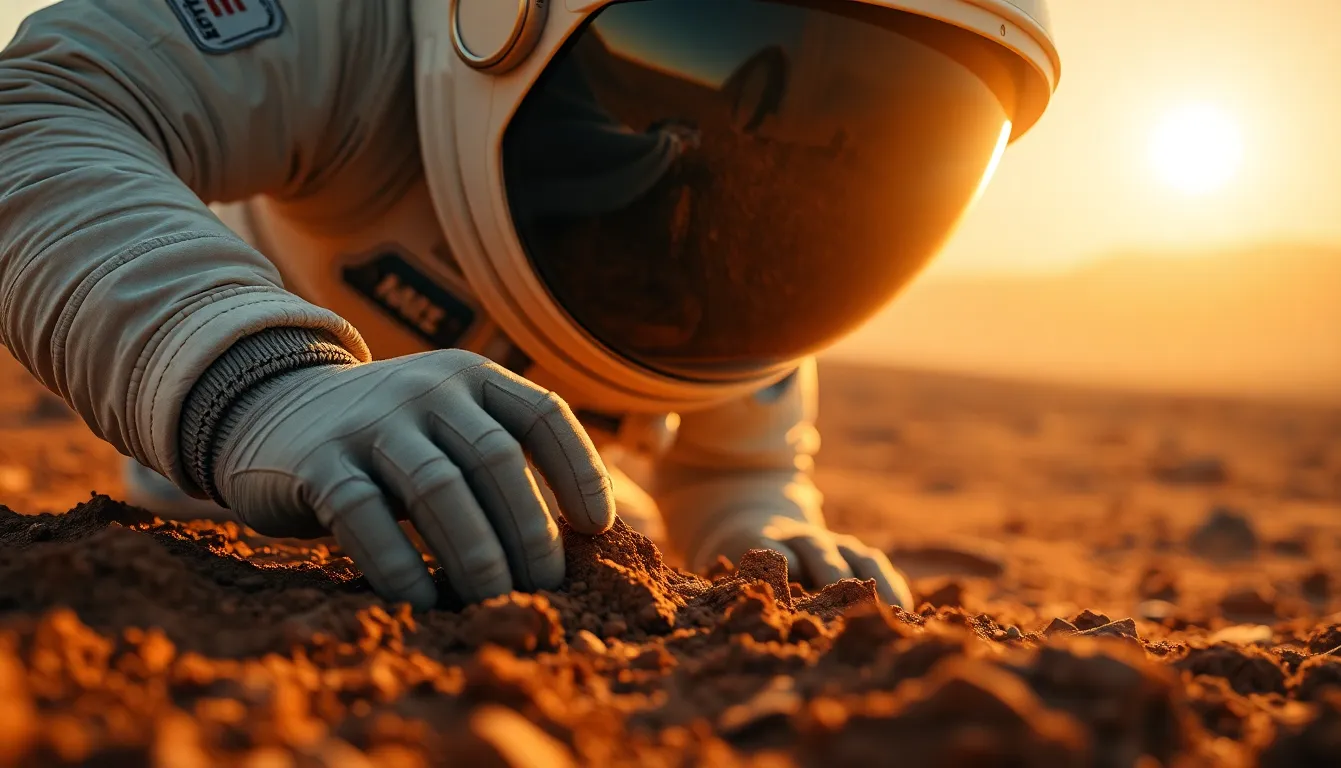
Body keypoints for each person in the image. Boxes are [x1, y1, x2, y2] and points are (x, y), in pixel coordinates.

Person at [0, 0, 1059, 611]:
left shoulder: (715, 257)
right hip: (226, 445)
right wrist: (259, 385)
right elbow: (43, 105)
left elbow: (737, 463)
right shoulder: (369, 37)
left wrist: (758, 527)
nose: (767, 188)